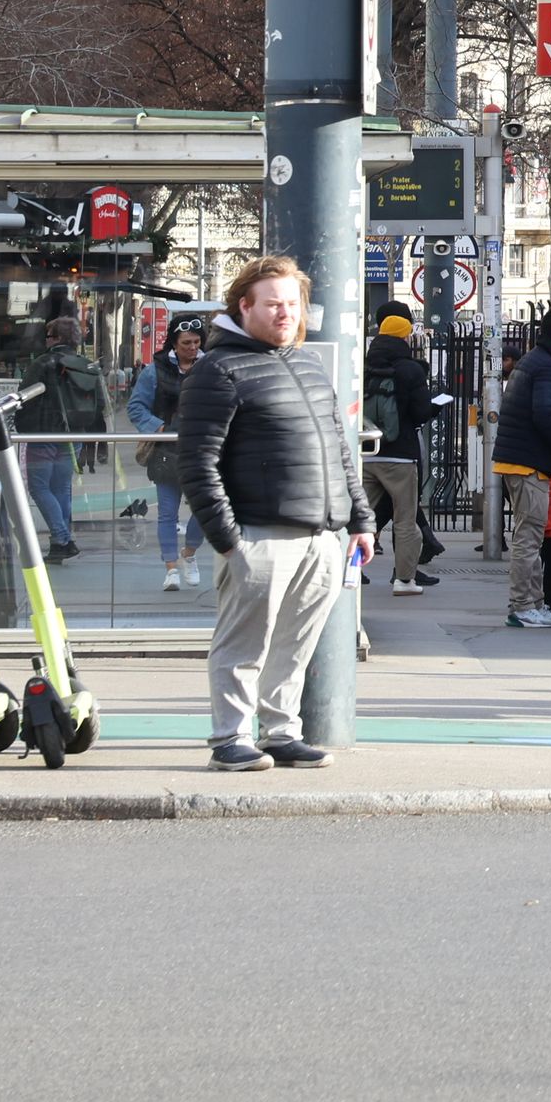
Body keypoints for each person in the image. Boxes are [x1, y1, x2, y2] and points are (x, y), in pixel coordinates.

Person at [173, 255, 374, 769]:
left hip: (321, 534)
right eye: (273, 304)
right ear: (245, 307)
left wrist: (360, 521)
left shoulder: (307, 363)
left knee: (295, 643)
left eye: (292, 303)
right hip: (258, 533)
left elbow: (338, 448)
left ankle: (280, 732)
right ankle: (230, 739)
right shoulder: (216, 370)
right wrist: (228, 539)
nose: (285, 313)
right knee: (244, 644)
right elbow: (197, 462)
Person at [492, 305, 551, 631]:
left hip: (524, 461)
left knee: (530, 538)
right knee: (529, 540)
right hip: (527, 463)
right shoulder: (546, 366)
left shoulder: (535, 361)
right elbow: (546, 416)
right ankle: (522, 606)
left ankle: (534, 604)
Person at [361, 311, 444, 595]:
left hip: (367, 451)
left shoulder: (365, 365)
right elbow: (420, 413)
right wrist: (435, 406)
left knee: (361, 515)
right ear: (404, 336)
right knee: (405, 519)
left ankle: (348, 568)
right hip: (401, 456)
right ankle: (404, 580)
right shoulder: (411, 370)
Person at [131, 317, 208, 590]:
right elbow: (136, 407)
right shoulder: (155, 371)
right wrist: (161, 427)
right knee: (167, 514)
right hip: (167, 450)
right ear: (174, 343)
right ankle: (171, 568)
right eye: (186, 343)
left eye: (197, 342)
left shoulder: (210, 366)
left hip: (202, 451)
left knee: (203, 510)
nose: (192, 347)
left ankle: (189, 553)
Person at [21, 314, 101, 562]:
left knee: (39, 487)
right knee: (61, 487)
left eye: (47, 336)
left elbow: (24, 397)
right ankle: (60, 543)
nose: (45, 341)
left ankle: (63, 538)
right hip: (74, 433)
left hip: (42, 433)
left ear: (55, 338)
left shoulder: (42, 364)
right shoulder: (85, 364)